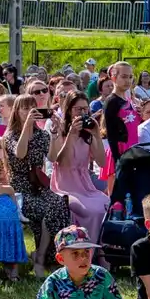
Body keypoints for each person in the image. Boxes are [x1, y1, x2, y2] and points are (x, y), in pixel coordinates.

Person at [6, 97, 73, 274]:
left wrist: (55, 136)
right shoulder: (11, 135)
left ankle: (43, 256)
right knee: (47, 210)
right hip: (20, 188)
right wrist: (27, 126)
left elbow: (52, 157)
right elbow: (20, 154)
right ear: (17, 111)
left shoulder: (41, 134)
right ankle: (41, 259)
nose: (29, 111)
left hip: (39, 186)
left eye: (32, 108)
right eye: (24, 108)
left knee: (60, 203)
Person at [48, 92, 109, 242]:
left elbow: (102, 162)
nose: (82, 113)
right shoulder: (59, 131)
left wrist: (96, 135)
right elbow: (61, 161)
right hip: (65, 184)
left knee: (106, 204)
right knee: (91, 210)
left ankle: (102, 254)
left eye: (85, 109)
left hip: (85, 185)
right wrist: (71, 135)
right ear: (69, 110)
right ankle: (87, 250)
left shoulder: (87, 133)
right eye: (78, 109)